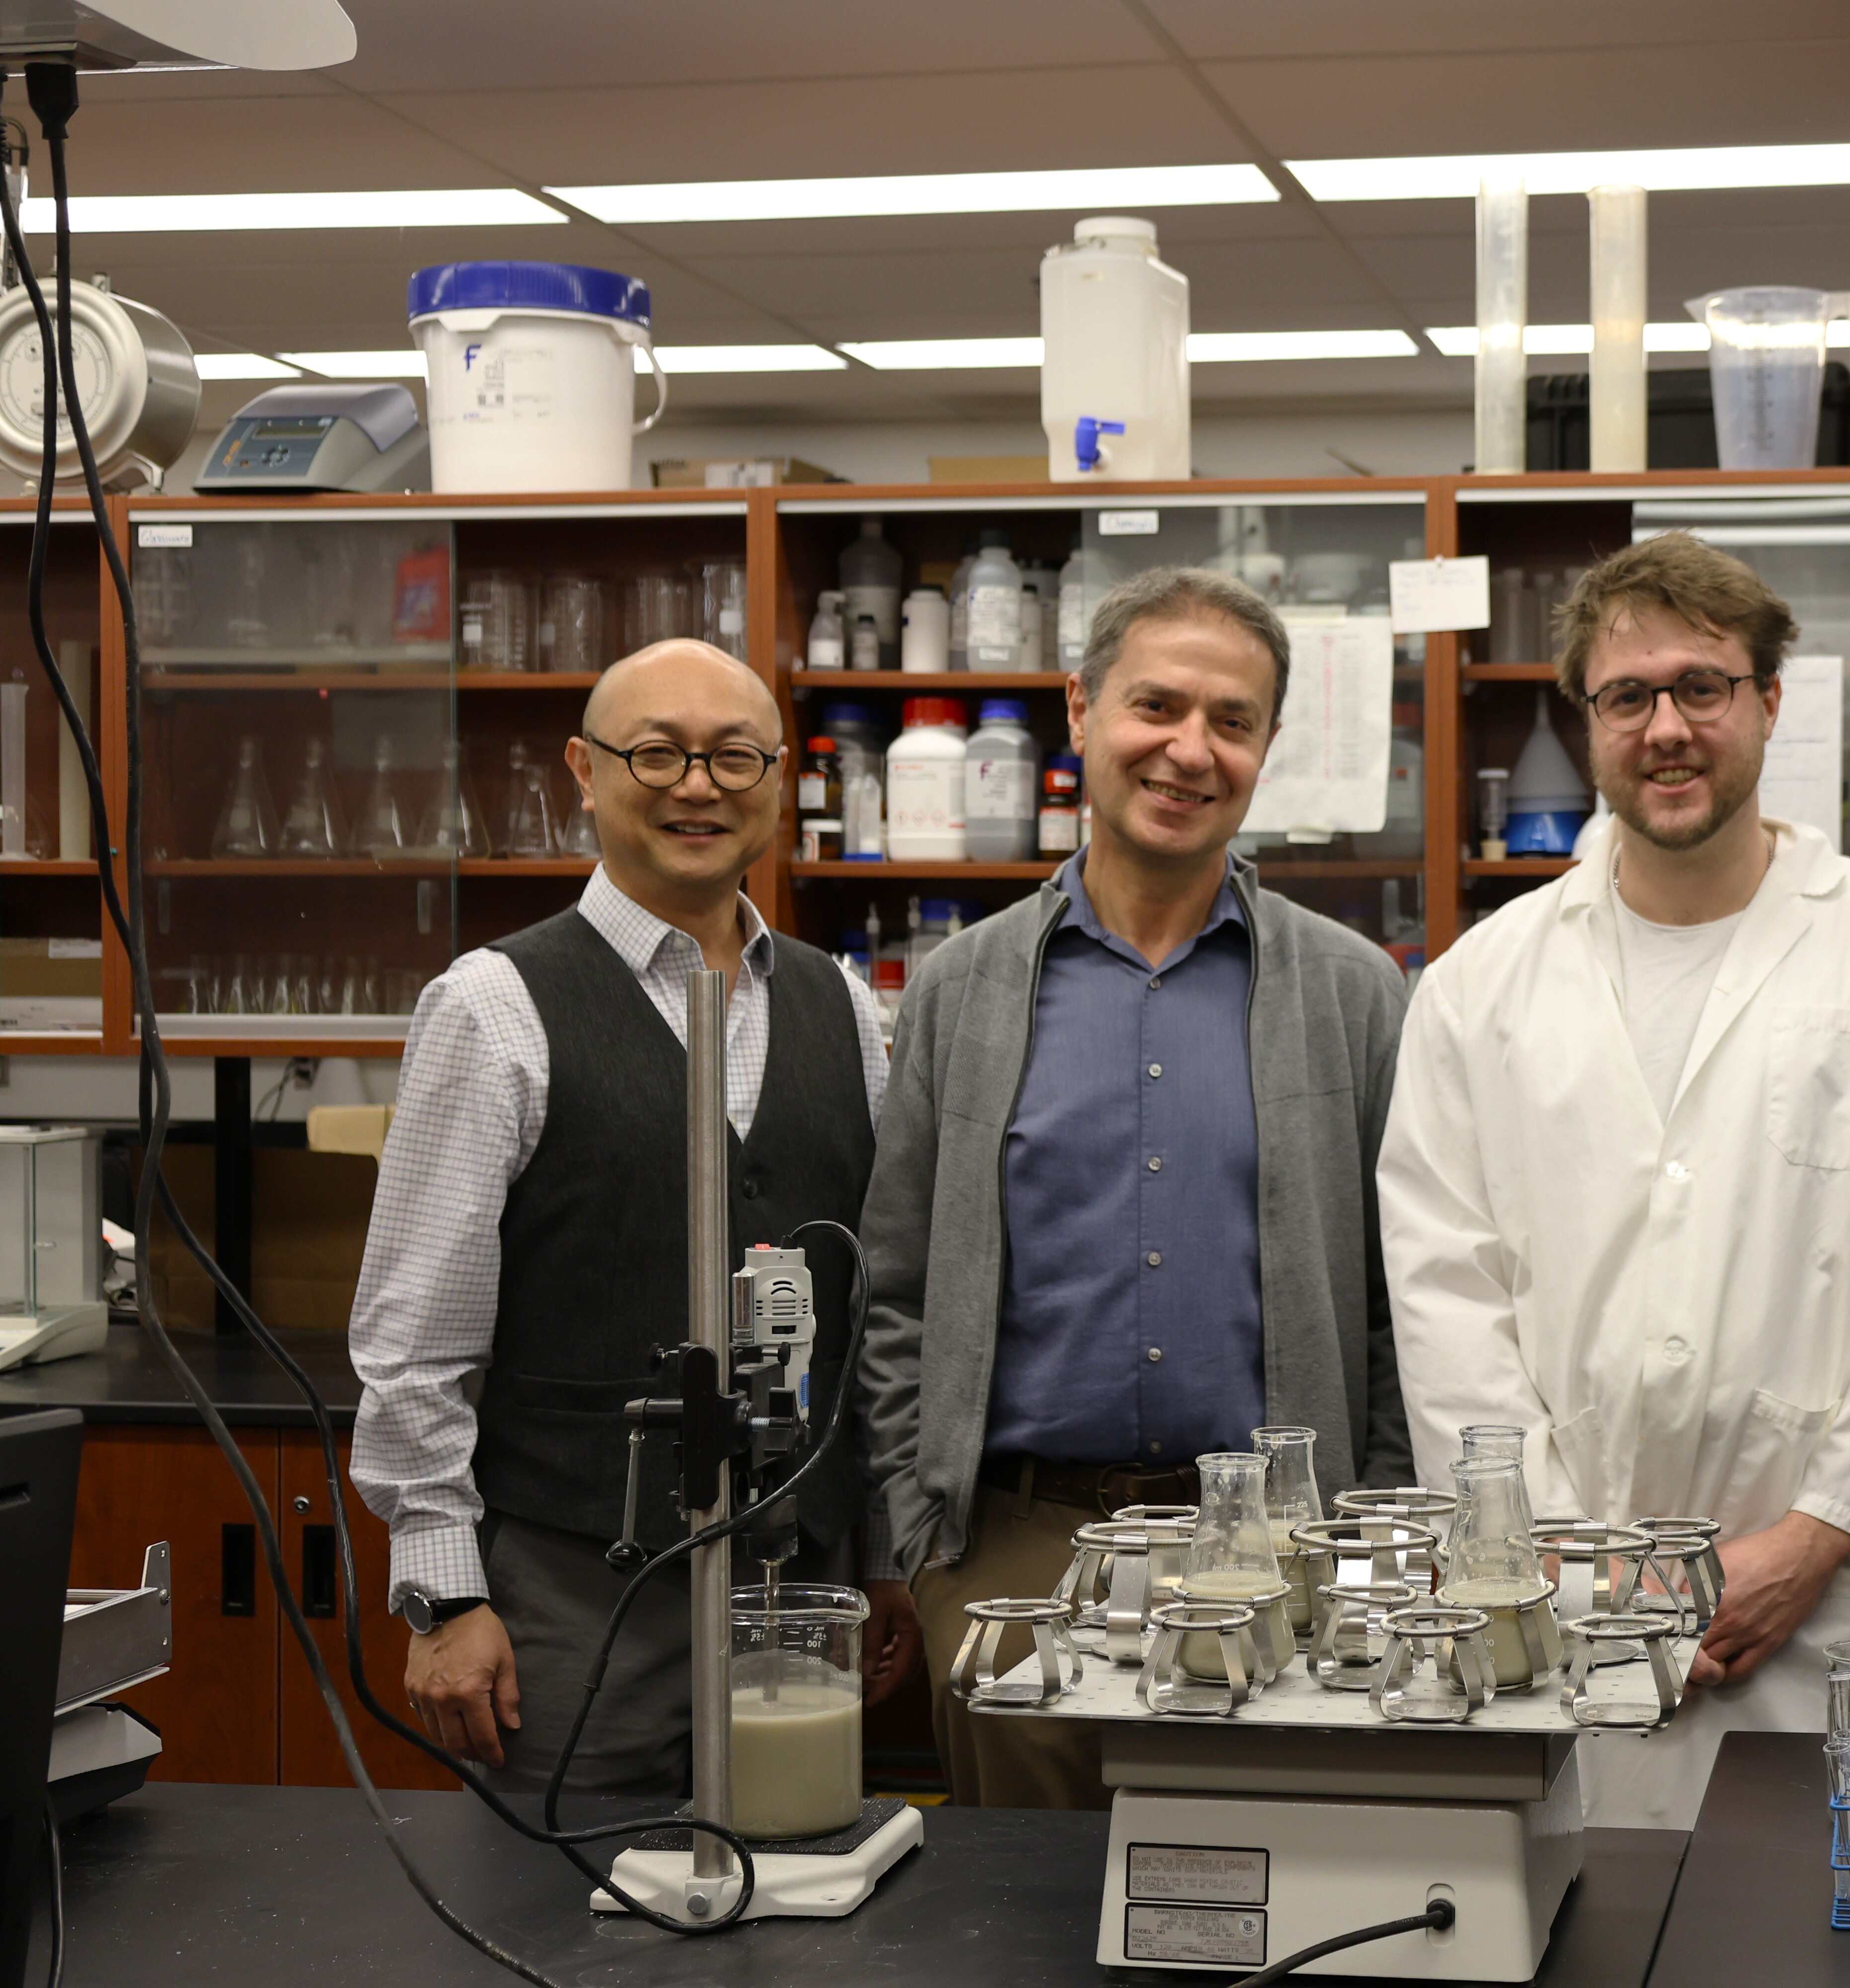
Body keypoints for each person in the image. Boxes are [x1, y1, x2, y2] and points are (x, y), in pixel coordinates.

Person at [1378, 532, 1850, 1829]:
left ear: (1770, 702)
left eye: (1703, 688)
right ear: (1588, 721)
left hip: (1826, 1612)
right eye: (1628, 697)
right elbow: (1447, 1298)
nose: (1667, 728)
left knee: (1821, 1957)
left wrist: (1811, 1539)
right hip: (1558, 1615)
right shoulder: (1479, 988)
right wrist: (1561, 1559)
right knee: (1569, 1940)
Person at [858, 565, 1414, 1809]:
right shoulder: (963, 989)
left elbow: (1393, 1301)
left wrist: (1364, 1544)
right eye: (1157, 706)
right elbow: (895, 1292)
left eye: (1233, 721)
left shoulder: (1352, 992)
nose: (1190, 750)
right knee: (1022, 1930)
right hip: (1013, 1557)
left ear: (1268, 745)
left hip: (1278, 1557)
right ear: (1081, 709)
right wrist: (921, 1540)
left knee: (1260, 1909)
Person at [350, 639, 917, 1794]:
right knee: (574, 1930)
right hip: (577, 1599)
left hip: (797, 1595)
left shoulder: (844, 1005)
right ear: (584, 767)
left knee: (795, 1917)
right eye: (656, 752)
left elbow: (874, 1313)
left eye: (733, 756)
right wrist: (445, 1595)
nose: (697, 785)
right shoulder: (494, 1006)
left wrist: (884, 1553)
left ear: (779, 772)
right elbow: (417, 1341)